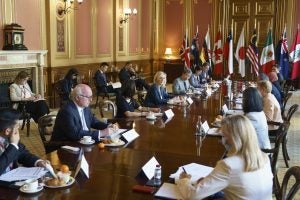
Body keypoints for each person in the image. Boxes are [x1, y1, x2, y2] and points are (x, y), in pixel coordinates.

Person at [177, 115, 273, 199]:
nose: (221, 140)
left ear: (234, 138)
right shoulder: (264, 157)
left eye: (223, 135)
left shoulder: (228, 165)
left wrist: (183, 181)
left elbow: (192, 195)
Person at [51, 84, 117, 142]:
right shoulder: (66, 111)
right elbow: (75, 134)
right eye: (88, 97)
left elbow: (94, 122)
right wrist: (101, 133)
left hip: (83, 141)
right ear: (77, 97)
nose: (91, 100)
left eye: (91, 97)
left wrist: (108, 126)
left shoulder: (85, 107)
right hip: (65, 146)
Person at [0, 108, 49, 175]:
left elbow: (22, 153)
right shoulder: (13, 139)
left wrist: (38, 162)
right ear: (7, 131)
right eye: (17, 126)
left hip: (13, 178)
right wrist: (13, 145)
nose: (18, 129)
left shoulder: (9, 137)